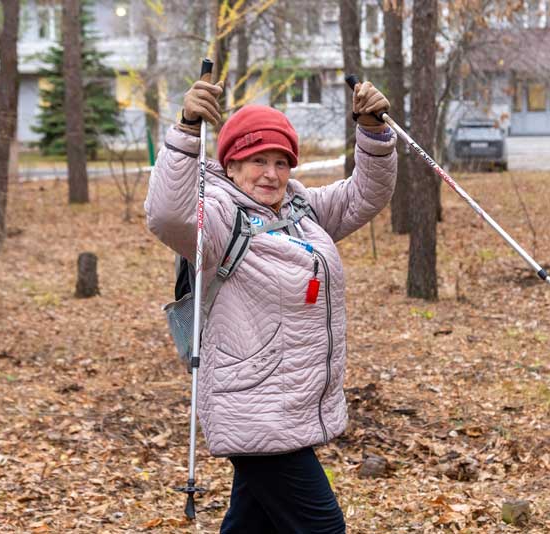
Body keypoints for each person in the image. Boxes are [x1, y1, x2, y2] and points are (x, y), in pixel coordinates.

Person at [144, 74, 397, 533]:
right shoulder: (217, 217)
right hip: (256, 409)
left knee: (251, 525)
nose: (271, 173)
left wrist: (373, 132)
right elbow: (166, 215)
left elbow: (365, 194)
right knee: (323, 527)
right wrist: (184, 131)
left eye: (281, 162)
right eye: (257, 160)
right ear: (233, 165)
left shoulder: (299, 211)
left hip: (290, 405)